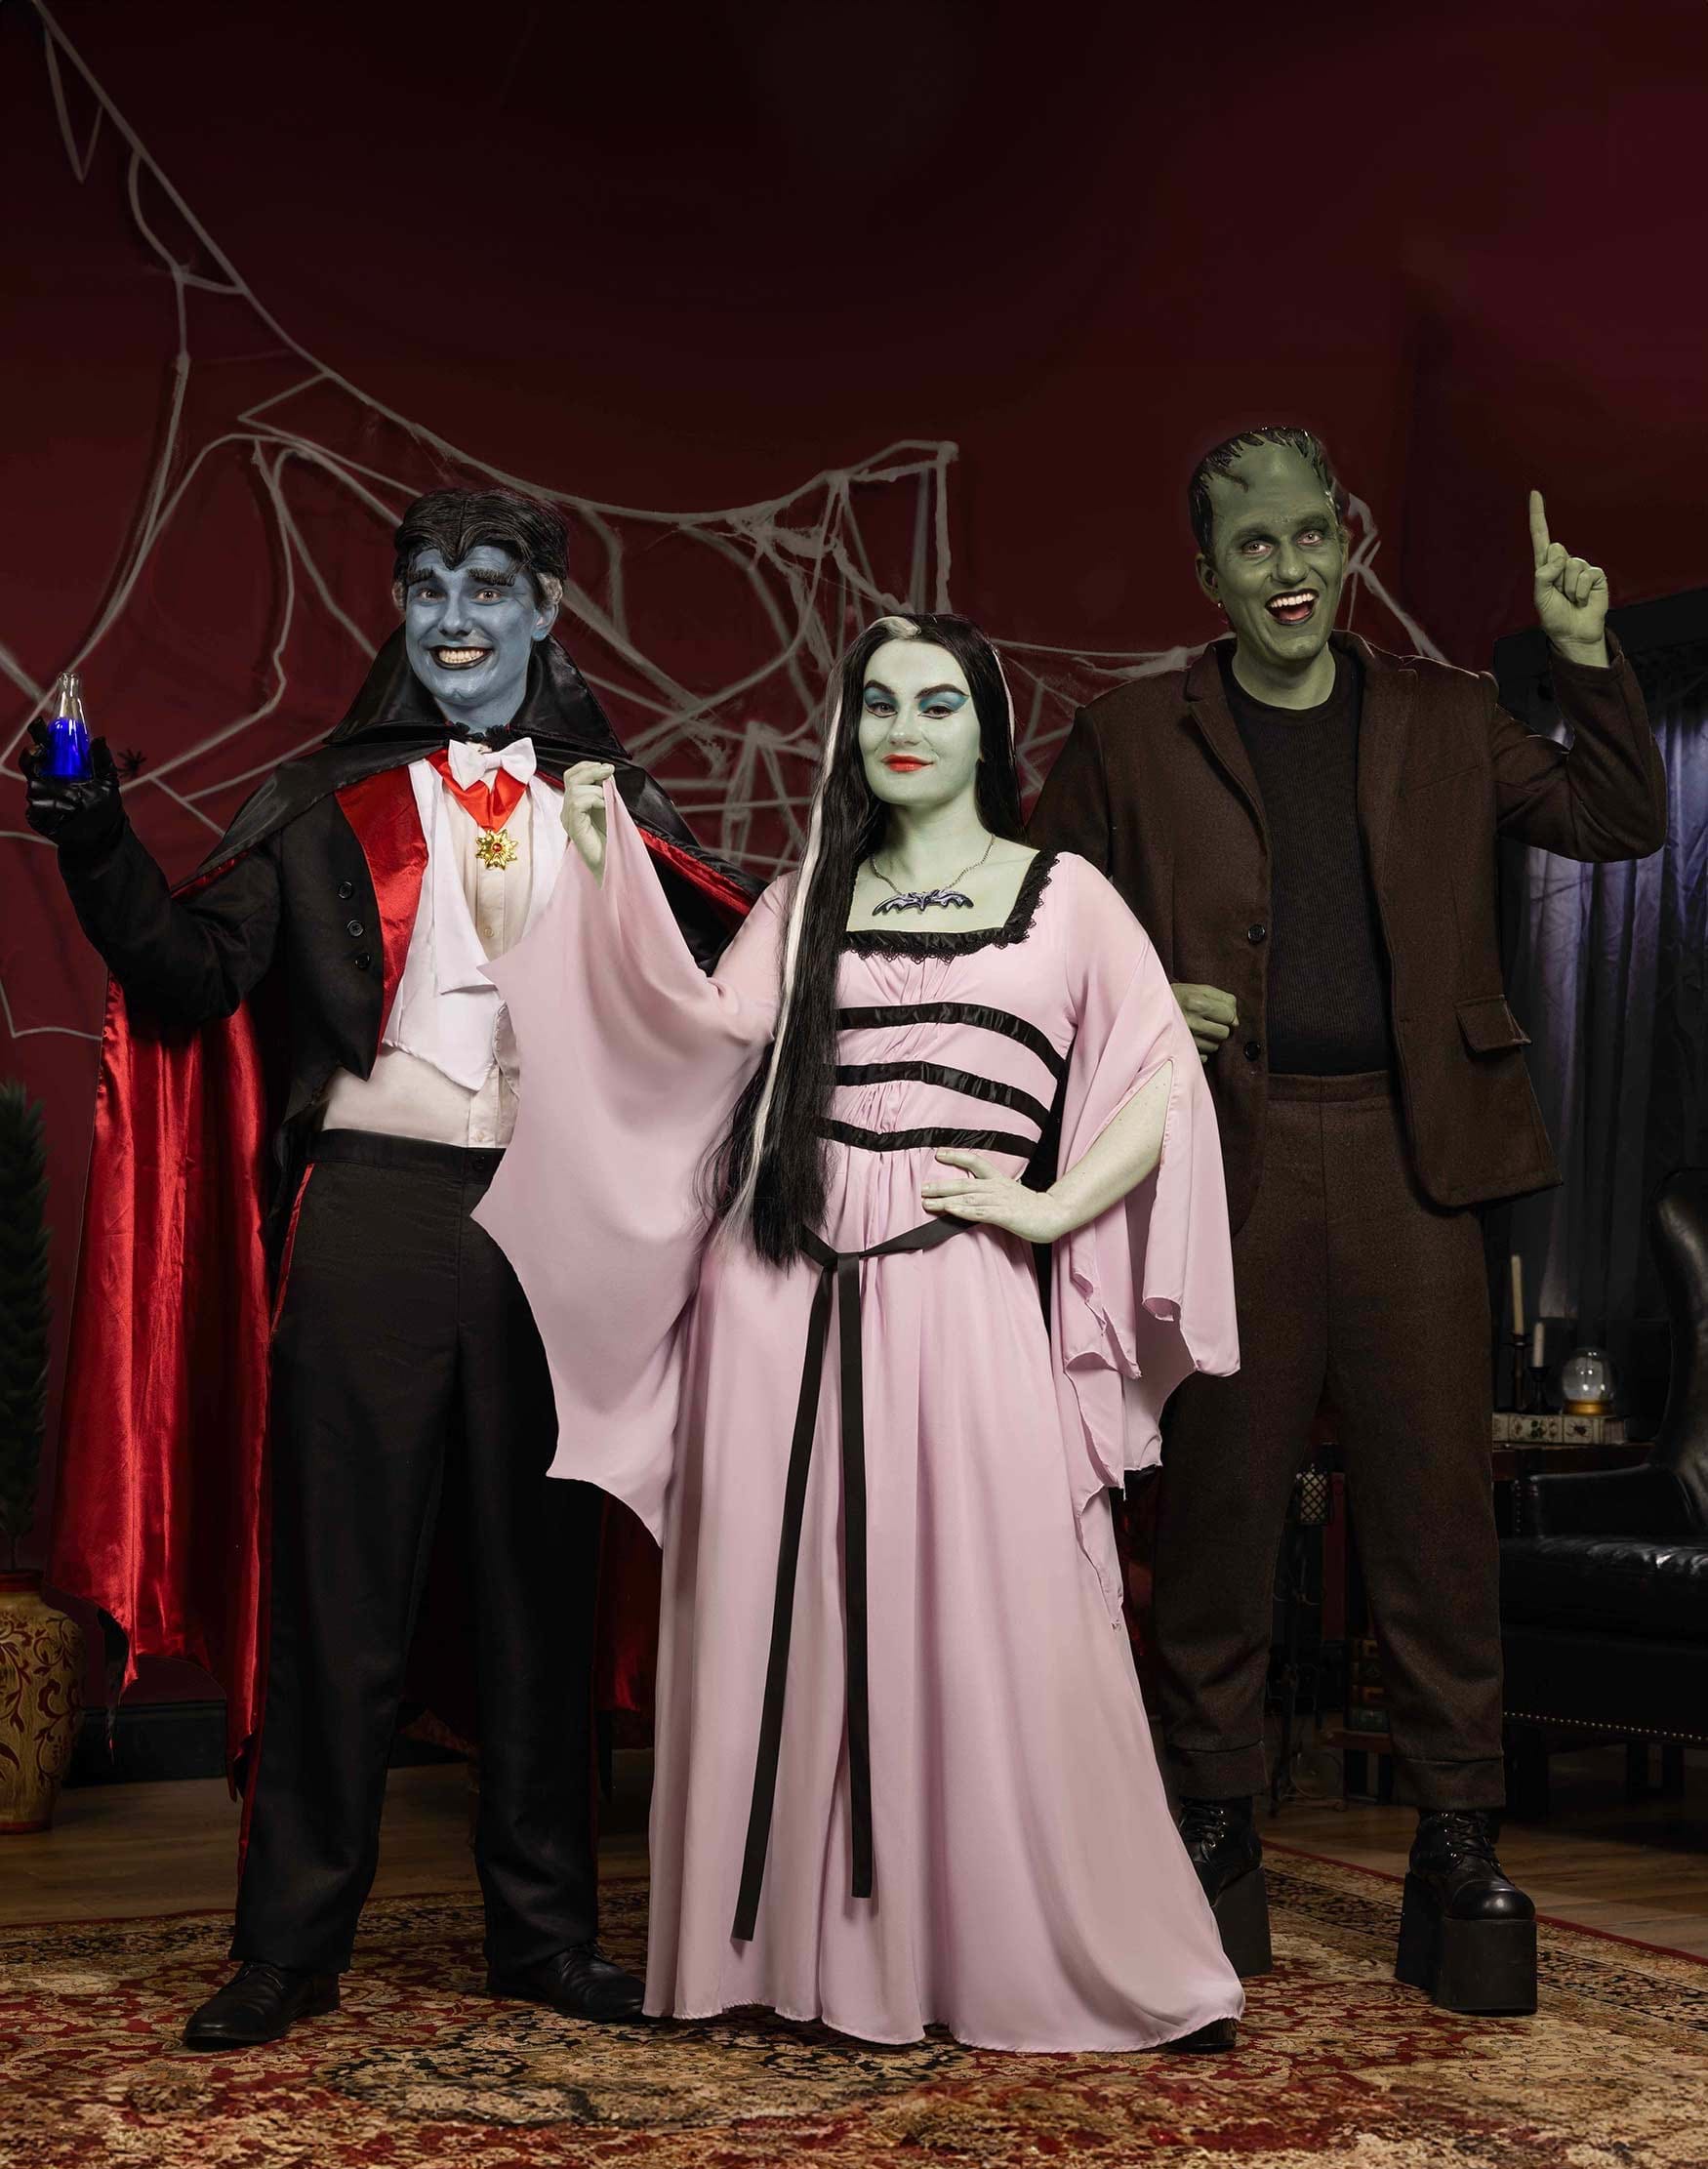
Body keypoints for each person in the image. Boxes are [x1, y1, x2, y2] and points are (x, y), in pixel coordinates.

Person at [25, 488, 750, 2050]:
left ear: (545, 609)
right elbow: (187, 975)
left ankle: (545, 1938)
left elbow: (715, 1009)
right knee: (337, 1590)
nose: (454, 618)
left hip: (561, 1218)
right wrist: (89, 828)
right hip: (373, 1208)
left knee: (538, 1590)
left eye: (487, 587)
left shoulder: (618, 805)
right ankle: (289, 1948)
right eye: (427, 589)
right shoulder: (317, 798)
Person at [477, 611, 1245, 2053]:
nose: (905, 727)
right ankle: (778, 1962)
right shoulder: (801, 897)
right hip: (776, 1295)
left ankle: (1008, 1955)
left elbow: (1157, 1076)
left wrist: (1050, 1204)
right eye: (880, 702)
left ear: (986, 727)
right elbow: (688, 1042)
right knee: (783, 1614)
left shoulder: (1067, 896)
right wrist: (603, 875)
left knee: (1004, 1616)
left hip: (964, 1287)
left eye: (939, 702)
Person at [1030, 429, 1668, 2015]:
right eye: (1255, 545)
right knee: (1219, 1515)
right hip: (1218, 1162)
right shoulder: (1127, 736)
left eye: (1311, 535)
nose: (1290, 568)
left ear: (1345, 544)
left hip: (1411, 1158)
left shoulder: (1449, 718)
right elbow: (1037, 936)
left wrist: (1584, 655)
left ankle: (1456, 1844)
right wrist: (1137, 999)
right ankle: (1211, 1828)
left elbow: (1617, 819)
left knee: (1435, 1524)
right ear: (1208, 573)